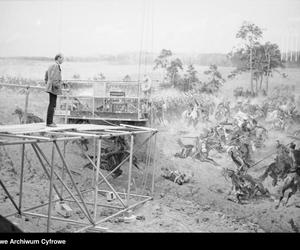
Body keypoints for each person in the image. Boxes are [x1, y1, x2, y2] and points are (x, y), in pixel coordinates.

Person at [45, 53, 64, 127]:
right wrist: (58, 85)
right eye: (62, 58)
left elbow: (46, 75)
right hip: (54, 88)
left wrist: (47, 83)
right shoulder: (56, 66)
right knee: (52, 105)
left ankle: (49, 122)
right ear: (58, 58)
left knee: (51, 104)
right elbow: (55, 78)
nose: (63, 60)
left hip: (51, 86)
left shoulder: (51, 65)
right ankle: (49, 122)